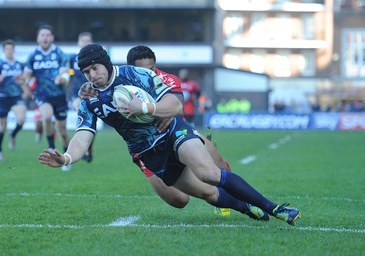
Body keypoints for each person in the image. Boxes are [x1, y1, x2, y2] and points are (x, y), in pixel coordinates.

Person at [38, 44, 301, 226]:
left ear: (105, 63)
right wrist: (67, 158)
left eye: (94, 68)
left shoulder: (135, 74)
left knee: (209, 174)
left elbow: (175, 105)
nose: (91, 75)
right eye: (86, 72)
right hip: (149, 154)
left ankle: (275, 208)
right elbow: (84, 134)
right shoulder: (89, 99)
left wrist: (145, 107)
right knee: (207, 194)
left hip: (172, 133)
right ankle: (246, 208)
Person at [125, 45, 233, 216]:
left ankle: (229, 200)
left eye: (152, 69)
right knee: (179, 200)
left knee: (219, 167)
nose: (149, 74)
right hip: (149, 145)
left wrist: (165, 110)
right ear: (131, 69)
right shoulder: (123, 86)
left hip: (179, 131)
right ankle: (146, 164)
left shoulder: (167, 79)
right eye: (143, 71)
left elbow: (178, 107)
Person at [22, 24, 71, 171]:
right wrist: (24, 84)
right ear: (38, 38)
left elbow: (65, 72)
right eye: (42, 35)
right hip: (42, 95)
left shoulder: (60, 54)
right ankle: (51, 146)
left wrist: (62, 78)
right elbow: (26, 75)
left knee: (62, 130)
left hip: (59, 96)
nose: (45, 37)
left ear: (52, 38)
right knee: (47, 116)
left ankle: (66, 157)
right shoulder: (32, 56)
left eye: (48, 35)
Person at [0, 39, 27, 161]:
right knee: (2, 125)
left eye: (11, 49)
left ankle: (12, 135)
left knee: (22, 119)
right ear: (4, 51)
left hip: (16, 97)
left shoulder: (19, 65)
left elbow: (23, 81)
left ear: (14, 50)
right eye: (7, 49)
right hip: (3, 98)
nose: (9, 51)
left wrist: (26, 91)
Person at [69, 32, 94, 163]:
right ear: (78, 43)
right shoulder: (72, 58)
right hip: (77, 93)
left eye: (88, 40)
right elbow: (64, 72)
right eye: (83, 40)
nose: (85, 42)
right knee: (81, 113)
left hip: (92, 94)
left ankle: (88, 149)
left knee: (90, 121)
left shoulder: (96, 59)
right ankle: (82, 150)